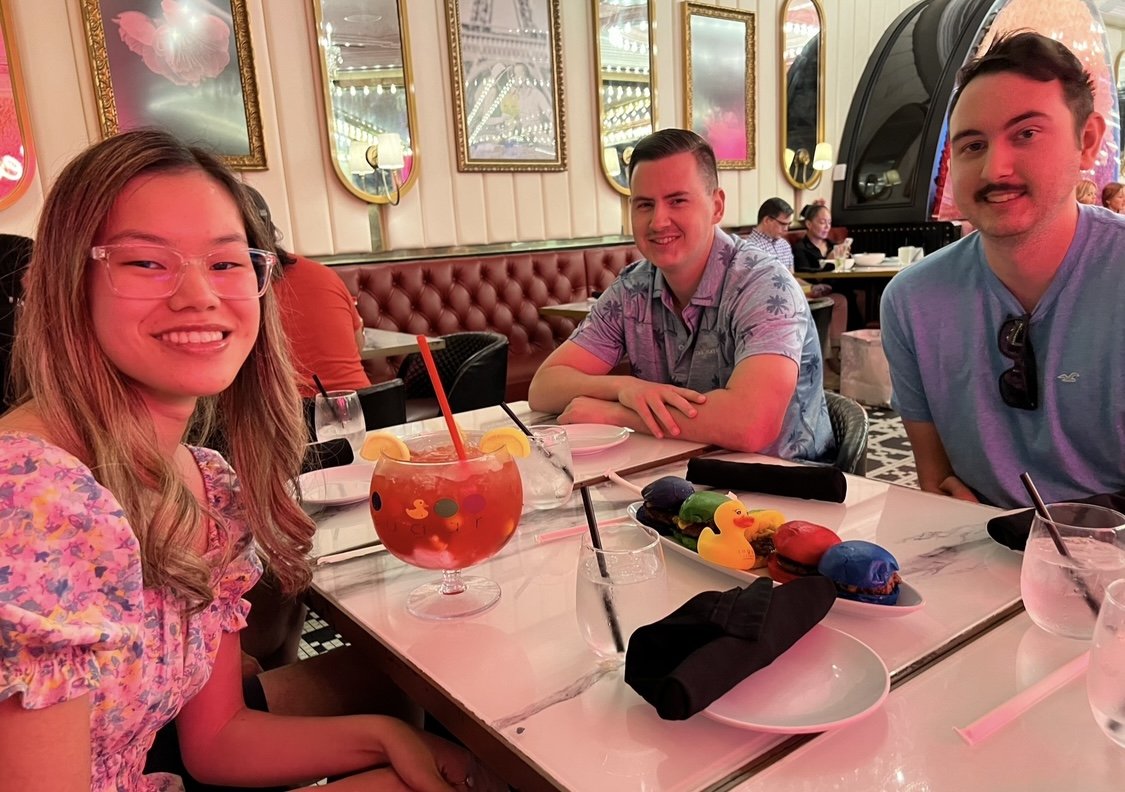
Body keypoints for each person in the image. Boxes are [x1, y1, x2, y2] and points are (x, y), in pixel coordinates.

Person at [0, 130, 494, 791]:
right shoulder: (33, 500)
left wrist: (386, 736)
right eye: (146, 262)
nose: (198, 296)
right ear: (66, 282)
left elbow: (217, 741)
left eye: (226, 263)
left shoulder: (205, 482)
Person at [880, 32, 1125, 509]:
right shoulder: (912, 301)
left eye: (1026, 134)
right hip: (977, 541)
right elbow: (938, 484)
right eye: (973, 145)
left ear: (1087, 141)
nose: (995, 170)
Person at [528, 129, 834, 461]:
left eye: (677, 200)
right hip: (682, 471)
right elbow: (544, 387)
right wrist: (625, 388)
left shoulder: (765, 285)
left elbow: (751, 424)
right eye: (645, 205)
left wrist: (617, 415)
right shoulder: (632, 289)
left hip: (788, 479)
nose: (658, 221)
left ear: (716, 206)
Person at [245, 187, 370, 399]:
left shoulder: (238, 288)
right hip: (365, 406)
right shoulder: (322, 273)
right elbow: (358, 345)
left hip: (287, 414)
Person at [743, 197, 795, 271]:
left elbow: (791, 275)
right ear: (767, 220)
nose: (786, 229)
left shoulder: (785, 245)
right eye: (782, 224)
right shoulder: (750, 248)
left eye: (788, 224)